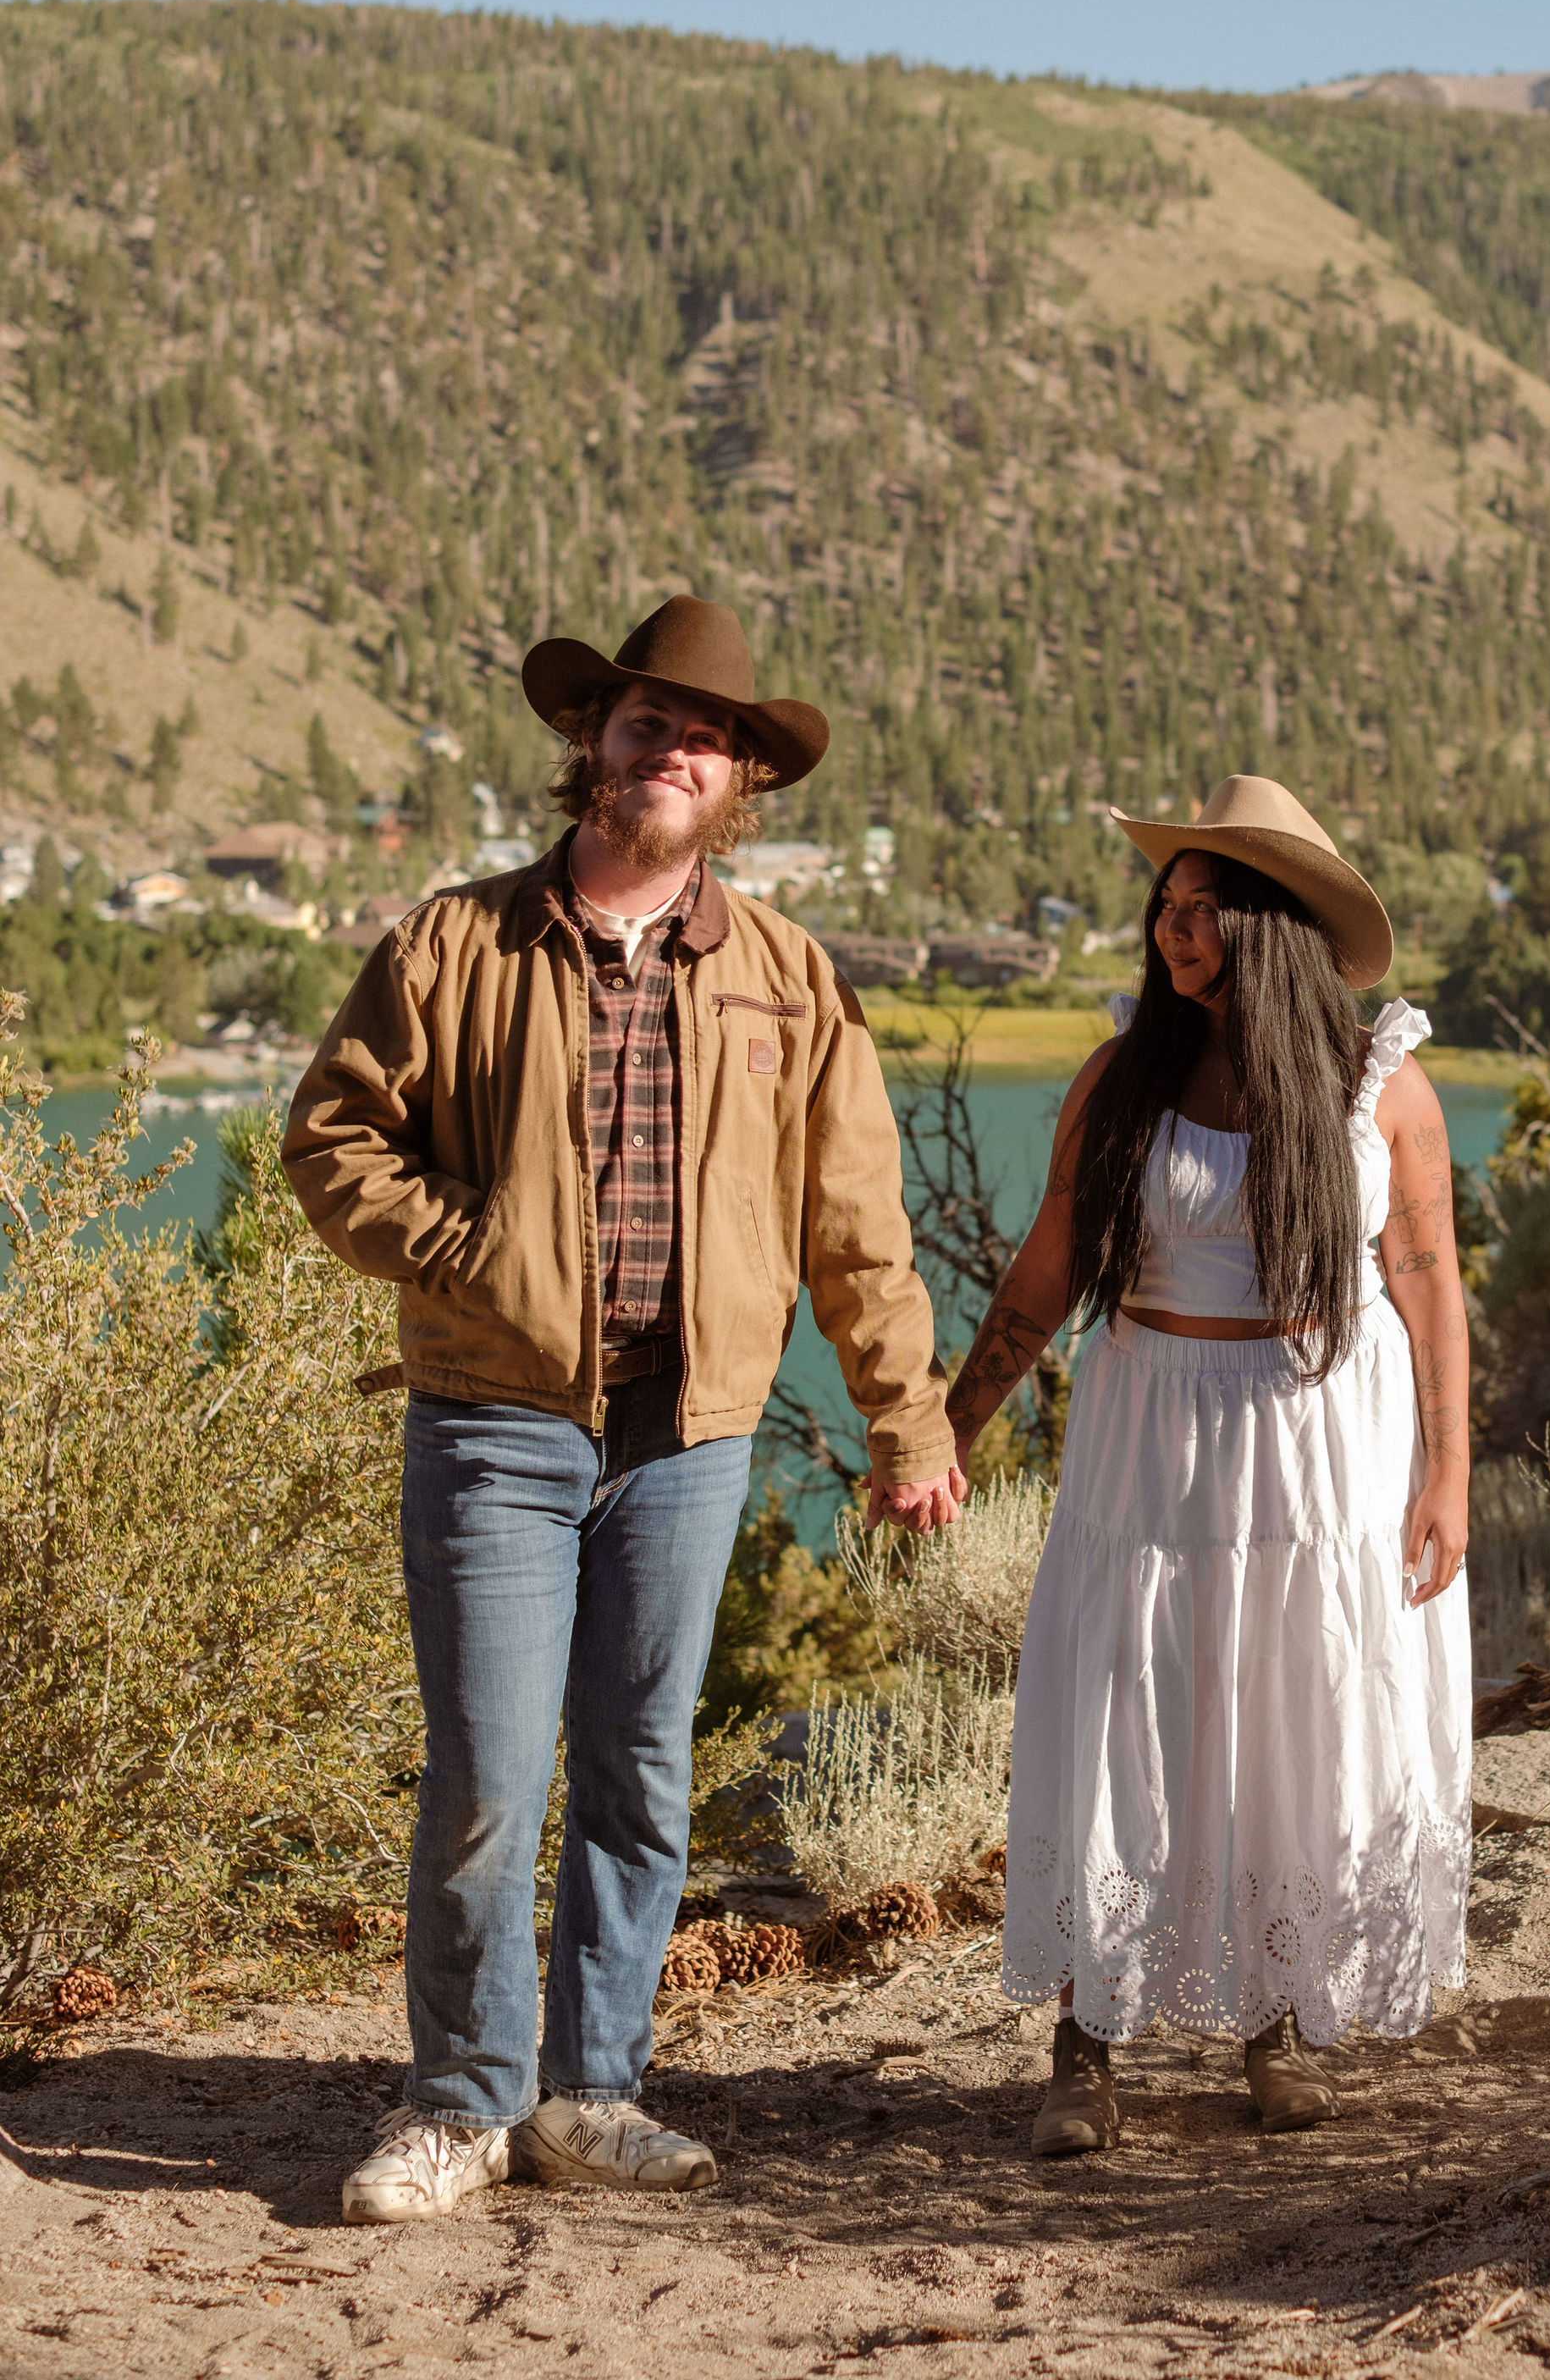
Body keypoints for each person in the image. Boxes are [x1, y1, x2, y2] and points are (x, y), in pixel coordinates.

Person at [285, 595, 962, 2223]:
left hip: (694, 1436)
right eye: (646, 722)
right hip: (494, 1425)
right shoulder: (455, 944)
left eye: (704, 737)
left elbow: (858, 1225)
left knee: (638, 1775)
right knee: (484, 1777)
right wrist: (476, 1252)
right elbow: (329, 1143)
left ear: (739, 786)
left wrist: (908, 1423)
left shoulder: (792, 981)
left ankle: (592, 2091)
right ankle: (459, 2105)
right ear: (593, 743)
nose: (670, 753)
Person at [944, 775, 1470, 2151]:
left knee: (1296, 1707)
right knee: (1125, 1702)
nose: (1173, 931)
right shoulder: (1123, 1079)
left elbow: (1427, 1284)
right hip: (1150, 1432)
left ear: (1272, 923)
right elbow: (1049, 1271)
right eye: (1164, 907)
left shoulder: (1380, 1088)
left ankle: (1281, 2019)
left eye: (1203, 909)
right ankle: (1088, 2037)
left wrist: (1449, 1473)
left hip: (1322, 1444)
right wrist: (951, 1421)